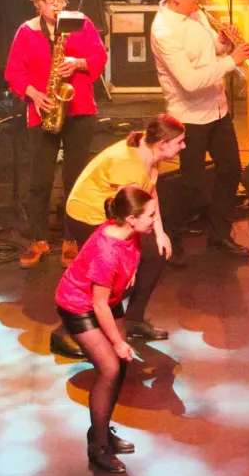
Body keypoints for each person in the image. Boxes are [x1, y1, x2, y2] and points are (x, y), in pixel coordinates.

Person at [59, 116, 188, 354]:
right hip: (89, 215)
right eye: (179, 142)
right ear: (162, 144)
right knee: (108, 278)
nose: (183, 146)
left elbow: (148, 194)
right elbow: (128, 214)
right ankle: (69, 328)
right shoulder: (129, 164)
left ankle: (134, 319)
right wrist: (130, 262)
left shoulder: (150, 155)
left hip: (122, 215)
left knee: (157, 253)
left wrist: (160, 232)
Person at [152, 0, 249, 259]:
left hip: (217, 109)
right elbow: (190, 81)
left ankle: (219, 235)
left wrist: (223, 40)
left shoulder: (196, 13)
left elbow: (213, 48)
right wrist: (233, 60)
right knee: (191, 183)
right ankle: (172, 239)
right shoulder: (163, 30)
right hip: (189, 116)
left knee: (231, 171)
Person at [6, 0, 108, 267]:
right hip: (43, 109)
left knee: (74, 178)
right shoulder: (26, 31)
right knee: (40, 180)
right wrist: (33, 94)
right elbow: (13, 72)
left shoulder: (80, 22)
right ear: (36, 2)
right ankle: (39, 239)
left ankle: (71, 239)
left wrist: (78, 62)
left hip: (79, 109)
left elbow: (99, 57)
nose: (55, 4)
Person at [57, 184, 157, 474]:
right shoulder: (107, 251)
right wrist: (117, 342)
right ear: (132, 219)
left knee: (120, 365)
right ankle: (98, 447)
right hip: (79, 305)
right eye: (150, 216)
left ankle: (100, 430)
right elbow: (98, 305)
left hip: (107, 300)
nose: (154, 220)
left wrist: (131, 273)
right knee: (110, 368)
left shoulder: (129, 232)